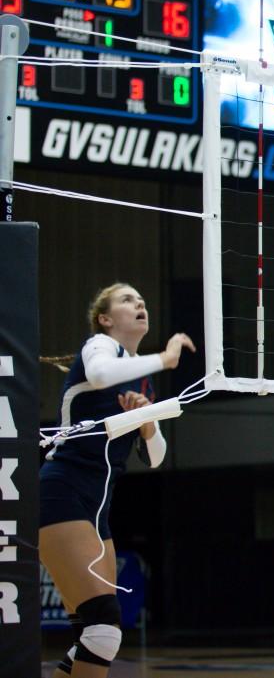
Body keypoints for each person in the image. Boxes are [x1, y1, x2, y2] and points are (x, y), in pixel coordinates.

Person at [39, 283, 195, 678]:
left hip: (97, 508)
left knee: (96, 635)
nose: (140, 303)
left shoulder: (142, 382)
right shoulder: (100, 346)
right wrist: (166, 356)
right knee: (102, 629)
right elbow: (101, 373)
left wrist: (146, 422)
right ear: (106, 319)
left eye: (142, 299)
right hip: (63, 491)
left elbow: (156, 457)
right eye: (128, 299)